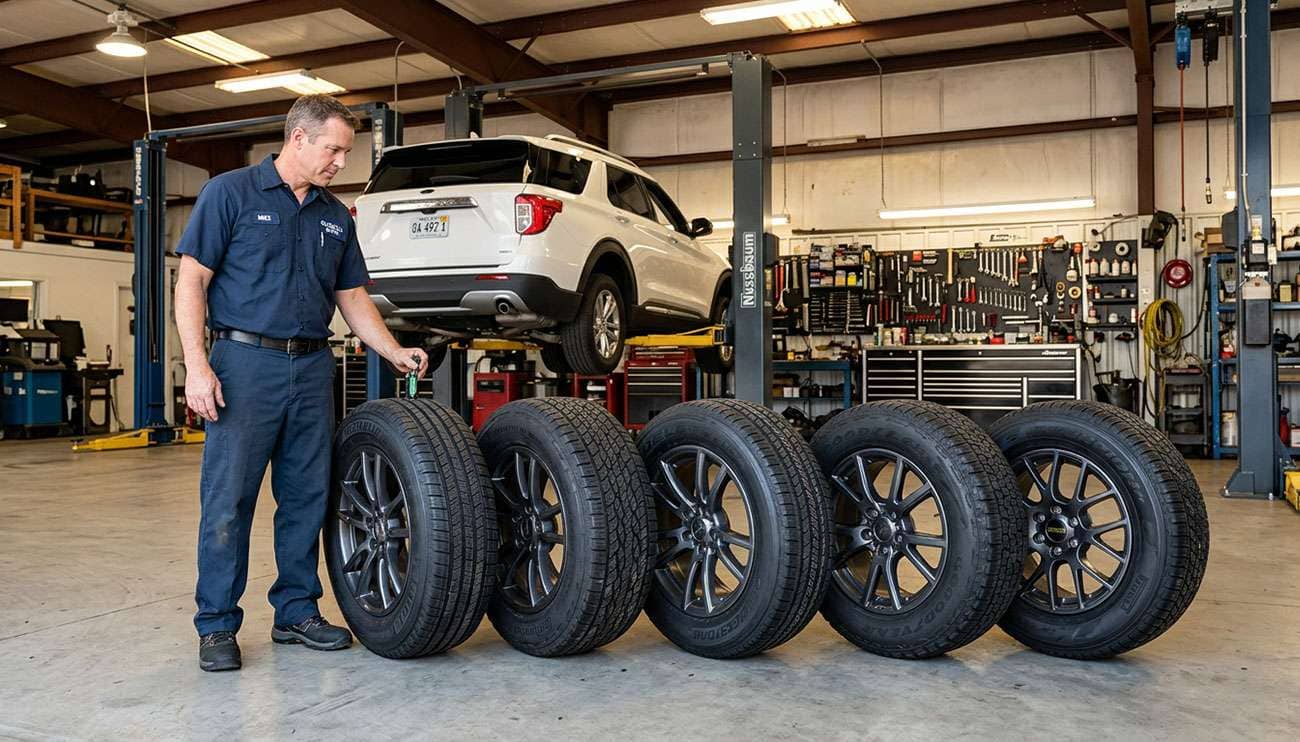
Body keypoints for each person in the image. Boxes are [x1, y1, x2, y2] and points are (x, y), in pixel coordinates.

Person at [174, 94, 428, 672]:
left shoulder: (335, 215)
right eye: (334, 149)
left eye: (346, 150)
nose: (341, 160)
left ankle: (295, 612)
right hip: (243, 366)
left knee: (307, 498)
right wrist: (197, 366)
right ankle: (216, 625)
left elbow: (352, 297)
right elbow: (192, 283)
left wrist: (391, 351)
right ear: (298, 138)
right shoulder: (229, 193)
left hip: (314, 368)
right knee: (228, 501)